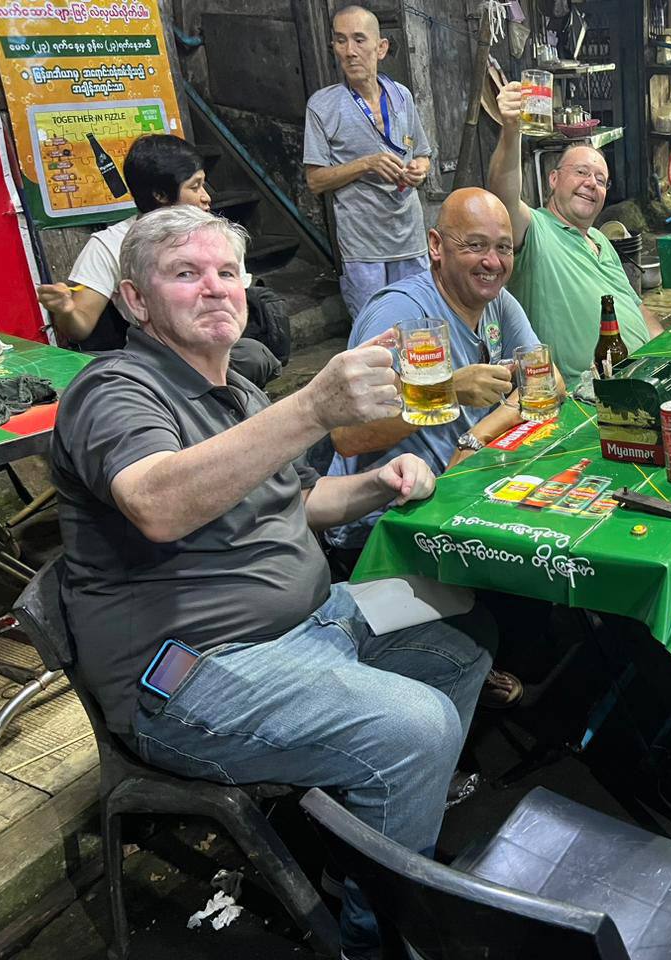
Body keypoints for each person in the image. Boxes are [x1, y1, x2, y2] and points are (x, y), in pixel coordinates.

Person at [50, 205, 498, 960]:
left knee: (465, 640)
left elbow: (296, 502)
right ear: (134, 300)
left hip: (312, 624)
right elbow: (156, 502)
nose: (214, 288)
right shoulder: (115, 390)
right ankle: (374, 936)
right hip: (194, 673)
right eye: (184, 274)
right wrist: (315, 406)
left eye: (226, 272)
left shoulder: (236, 392)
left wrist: (380, 486)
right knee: (416, 728)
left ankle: (370, 834)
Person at [325, 187, 559, 709]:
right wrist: (450, 390)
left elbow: (548, 385)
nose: (493, 262)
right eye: (475, 246)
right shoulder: (400, 314)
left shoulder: (498, 301)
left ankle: (528, 681)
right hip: (392, 524)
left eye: (504, 247)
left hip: (466, 499)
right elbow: (346, 433)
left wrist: (475, 437)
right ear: (436, 245)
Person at [34, 135, 281, 387]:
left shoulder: (219, 238)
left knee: (253, 356)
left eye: (204, 185)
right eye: (195, 187)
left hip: (215, 349)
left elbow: (238, 308)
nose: (206, 197)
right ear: (161, 195)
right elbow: (80, 326)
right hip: (153, 362)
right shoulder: (109, 245)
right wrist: (66, 310)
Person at [489, 81, 658, 388]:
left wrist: (668, 354)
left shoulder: (602, 240)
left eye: (601, 180)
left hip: (638, 379)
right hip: (578, 396)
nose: (592, 183)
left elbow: (636, 307)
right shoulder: (536, 230)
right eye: (581, 172)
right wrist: (512, 131)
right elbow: (504, 199)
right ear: (554, 178)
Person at [304, 5, 433, 321]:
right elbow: (315, 181)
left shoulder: (401, 96)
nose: (349, 51)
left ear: (381, 48)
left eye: (359, 40)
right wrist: (366, 164)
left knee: (420, 328)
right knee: (376, 336)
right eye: (340, 40)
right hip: (364, 248)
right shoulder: (323, 105)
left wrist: (420, 169)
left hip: (410, 238)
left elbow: (423, 154)